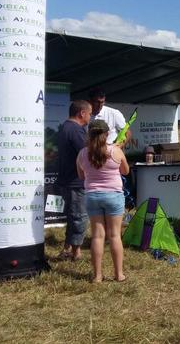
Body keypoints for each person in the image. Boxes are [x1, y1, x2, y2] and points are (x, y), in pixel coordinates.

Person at [76, 120, 129, 282]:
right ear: (107, 134)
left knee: (97, 236)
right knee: (114, 236)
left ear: (89, 134)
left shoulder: (82, 153)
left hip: (92, 196)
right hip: (113, 196)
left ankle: (97, 275)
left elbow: (81, 176)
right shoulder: (116, 151)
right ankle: (118, 274)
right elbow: (126, 171)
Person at [55, 100, 92, 261]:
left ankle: (67, 248)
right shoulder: (76, 130)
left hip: (66, 180)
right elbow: (87, 153)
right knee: (79, 216)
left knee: (72, 216)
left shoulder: (64, 127)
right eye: (89, 113)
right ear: (82, 113)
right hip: (76, 181)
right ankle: (76, 252)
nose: (90, 117)